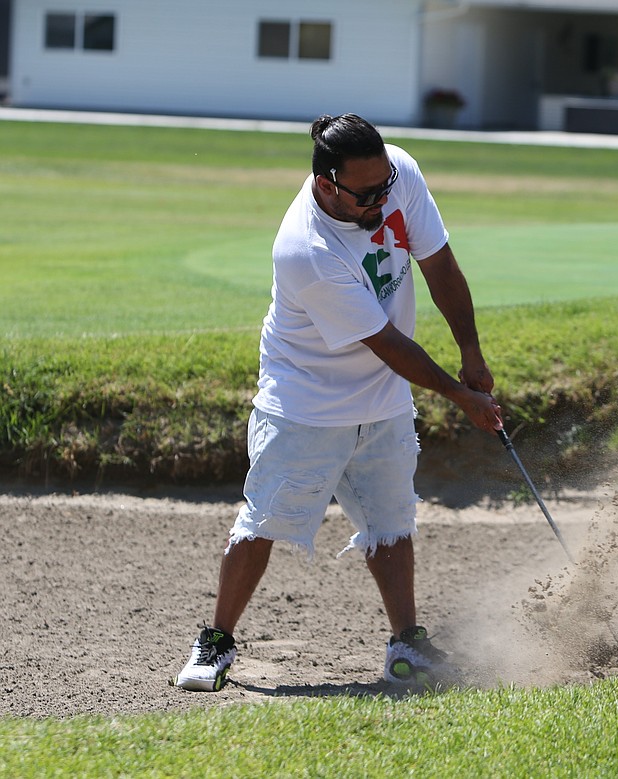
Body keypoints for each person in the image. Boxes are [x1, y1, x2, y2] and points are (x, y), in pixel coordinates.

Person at [174, 113, 502, 692]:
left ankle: (407, 642)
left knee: (391, 521)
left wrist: (470, 353)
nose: (382, 198)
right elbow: (386, 343)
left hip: (382, 398)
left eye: (385, 185)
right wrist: (457, 395)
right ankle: (217, 640)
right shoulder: (306, 250)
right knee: (262, 523)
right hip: (305, 400)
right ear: (326, 184)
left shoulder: (397, 173)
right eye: (366, 193)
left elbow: (439, 264)